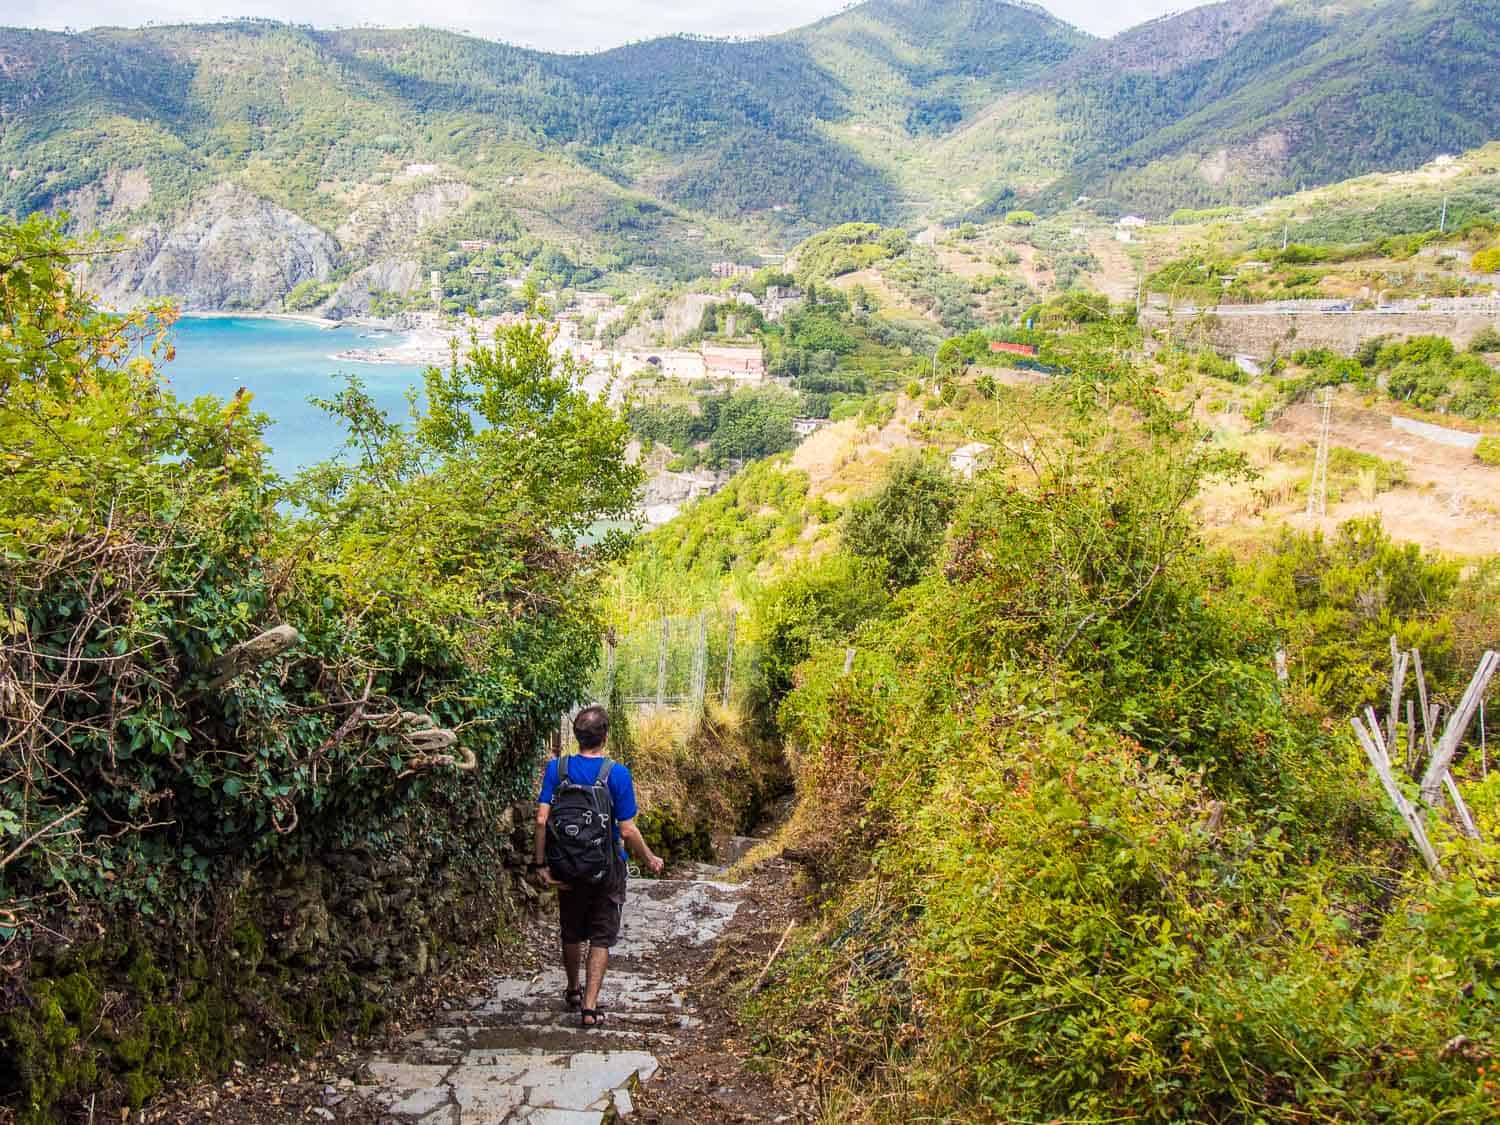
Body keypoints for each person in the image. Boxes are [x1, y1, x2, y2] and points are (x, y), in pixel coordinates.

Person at [532, 705, 663, 1028]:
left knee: (572, 929)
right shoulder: (616, 774)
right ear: (605, 736)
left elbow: (541, 819)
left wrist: (540, 864)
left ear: (576, 736)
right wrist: (649, 858)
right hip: (607, 868)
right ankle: (589, 1008)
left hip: (566, 866)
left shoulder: (556, 769)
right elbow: (627, 829)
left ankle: (573, 989)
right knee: (601, 936)